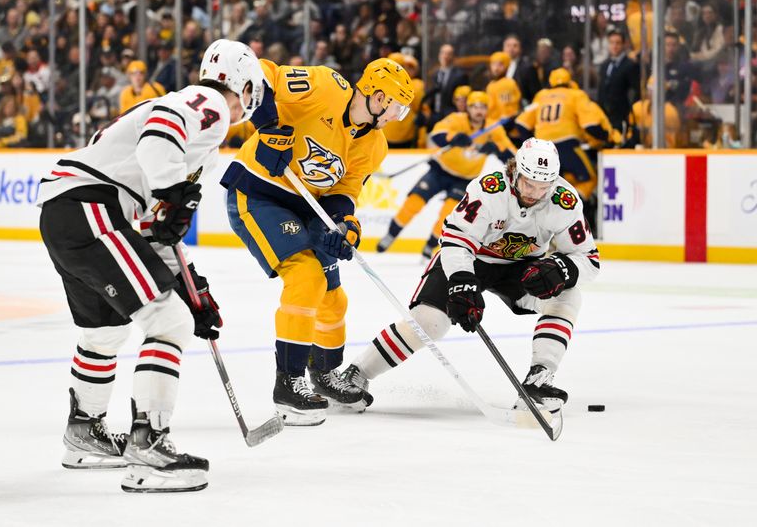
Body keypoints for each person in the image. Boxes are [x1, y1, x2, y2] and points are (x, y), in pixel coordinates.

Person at [36, 39, 263, 493]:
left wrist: (190, 285)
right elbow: (161, 133)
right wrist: (172, 190)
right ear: (245, 86)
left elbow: (154, 232)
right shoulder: (212, 104)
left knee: (105, 332)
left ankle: (85, 435)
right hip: (92, 206)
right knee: (169, 322)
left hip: (70, 209)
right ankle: (150, 447)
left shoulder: (196, 133)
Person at [219, 57, 414, 426]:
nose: (397, 117)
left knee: (333, 298)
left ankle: (323, 375)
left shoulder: (375, 145)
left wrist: (345, 225)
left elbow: (344, 190)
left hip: (308, 206)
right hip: (259, 193)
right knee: (306, 277)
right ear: (377, 96)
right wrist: (268, 127)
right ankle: (288, 384)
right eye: (397, 107)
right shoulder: (324, 86)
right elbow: (262, 72)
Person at [342, 138, 600, 413]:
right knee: (430, 323)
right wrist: (462, 281)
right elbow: (456, 240)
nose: (535, 193)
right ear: (515, 171)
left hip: (521, 267)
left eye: (543, 187)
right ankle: (357, 373)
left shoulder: (565, 200)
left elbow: (589, 260)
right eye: (528, 184)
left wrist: (564, 269)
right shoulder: (488, 189)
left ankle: (539, 379)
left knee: (568, 294)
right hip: (470, 259)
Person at [376, 91, 515, 258]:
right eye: (474, 106)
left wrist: (497, 149)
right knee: (414, 202)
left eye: (483, 107)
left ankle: (430, 246)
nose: (478, 111)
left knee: (448, 214)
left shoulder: (494, 129)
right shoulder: (457, 119)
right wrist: (453, 138)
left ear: (487, 109)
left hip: (464, 180)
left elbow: (512, 158)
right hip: (440, 170)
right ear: (468, 108)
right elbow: (437, 134)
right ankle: (391, 234)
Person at [514, 68, 618, 202]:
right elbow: (590, 125)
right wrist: (607, 138)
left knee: (548, 184)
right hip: (567, 146)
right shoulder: (575, 94)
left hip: (542, 151)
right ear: (569, 82)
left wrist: (533, 143)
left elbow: (521, 124)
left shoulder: (541, 96)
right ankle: (573, 206)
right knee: (591, 178)